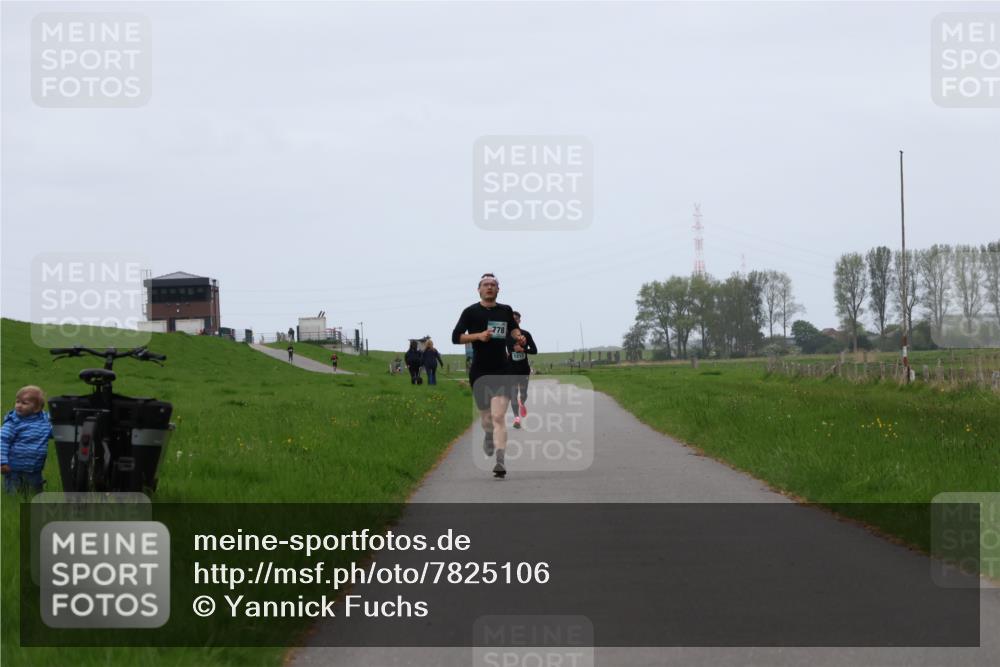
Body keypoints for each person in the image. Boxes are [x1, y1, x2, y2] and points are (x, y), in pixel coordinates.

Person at [452, 273, 525, 478]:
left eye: (493, 284)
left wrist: (518, 336)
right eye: (486, 284)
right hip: (480, 371)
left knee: (498, 416)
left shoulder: (505, 310)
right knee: (486, 419)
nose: (490, 287)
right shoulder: (470, 312)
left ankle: (500, 461)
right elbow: (456, 337)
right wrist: (478, 336)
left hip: (502, 369)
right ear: (479, 289)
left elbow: (512, 329)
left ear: (498, 289)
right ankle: (488, 434)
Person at [1, 386, 53, 496]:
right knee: (14, 494)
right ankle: (14, 506)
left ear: (37, 408)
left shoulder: (45, 421)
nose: (19, 405)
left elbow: (54, 433)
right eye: (17, 401)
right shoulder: (13, 422)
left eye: (24, 403)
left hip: (35, 467)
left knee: (35, 494)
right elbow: (2, 441)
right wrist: (2, 462)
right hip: (14, 468)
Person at [507, 311, 538, 428]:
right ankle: (517, 419)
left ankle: (522, 402)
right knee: (513, 394)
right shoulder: (506, 335)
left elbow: (535, 350)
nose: (514, 321)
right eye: (512, 319)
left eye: (516, 319)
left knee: (523, 394)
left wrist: (523, 350)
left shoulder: (526, 334)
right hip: (511, 370)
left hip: (524, 369)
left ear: (520, 321)